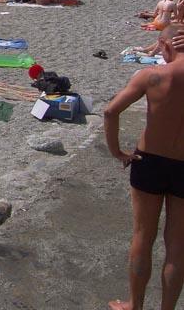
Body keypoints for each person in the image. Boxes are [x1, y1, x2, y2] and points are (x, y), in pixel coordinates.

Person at [104, 30, 184, 310]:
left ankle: (135, 305)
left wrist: (117, 152)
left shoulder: (151, 76)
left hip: (149, 161)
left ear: (165, 44)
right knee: (177, 247)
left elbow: (111, 111)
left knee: (142, 237)